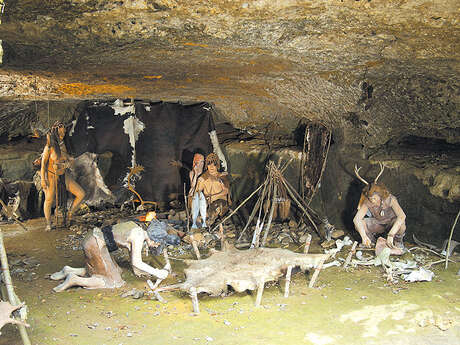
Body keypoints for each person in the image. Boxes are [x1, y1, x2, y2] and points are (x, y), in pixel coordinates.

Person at [51, 217, 173, 292]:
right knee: (113, 283)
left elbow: (133, 257)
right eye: (158, 244)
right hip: (94, 244)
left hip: (97, 240)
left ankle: (69, 270)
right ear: (155, 239)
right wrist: (157, 272)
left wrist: (139, 271)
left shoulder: (138, 229)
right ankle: (74, 279)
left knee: (117, 271)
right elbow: (137, 261)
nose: (157, 246)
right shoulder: (138, 236)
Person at [40, 121, 85, 230]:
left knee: (81, 194)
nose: (63, 135)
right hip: (51, 176)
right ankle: (48, 223)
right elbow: (43, 164)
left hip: (64, 175)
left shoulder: (65, 145)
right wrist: (43, 179)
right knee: (49, 199)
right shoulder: (49, 147)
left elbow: (71, 160)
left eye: (64, 133)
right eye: (61, 133)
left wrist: (68, 163)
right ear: (56, 133)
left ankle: (70, 214)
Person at [353, 163, 406, 254]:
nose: (372, 200)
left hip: (391, 224)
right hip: (378, 223)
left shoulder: (390, 199)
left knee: (401, 225)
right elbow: (356, 219)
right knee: (360, 223)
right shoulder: (367, 201)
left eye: (374, 198)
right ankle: (370, 241)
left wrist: (391, 235)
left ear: (380, 195)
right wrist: (363, 236)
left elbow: (402, 216)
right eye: (370, 198)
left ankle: (398, 241)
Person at [192, 153, 231, 228]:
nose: (212, 167)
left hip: (219, 203)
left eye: (214, 164)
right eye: (209, 164)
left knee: (215, 208)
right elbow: (197, 193)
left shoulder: (222, 177)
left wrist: (213, 197)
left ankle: (208, 223)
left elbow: (226, 192)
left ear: (217, 165)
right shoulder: (202, 178)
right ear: (207, 165)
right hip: (206, 202)